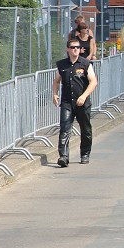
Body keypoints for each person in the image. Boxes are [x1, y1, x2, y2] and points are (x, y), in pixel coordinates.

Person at [52, 38, 98, 167]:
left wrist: (84, 96)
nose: (76, 49)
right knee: (65, 129)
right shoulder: (62, 65)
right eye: (73, 47)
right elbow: (56, 81)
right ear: (68, 49)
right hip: (67, 102)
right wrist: (55, 94)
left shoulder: (85, 64)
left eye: (77, 47)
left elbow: (93, 82)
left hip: (82, 102)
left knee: (86, 130)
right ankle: (64, 156)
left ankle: (85, 154)